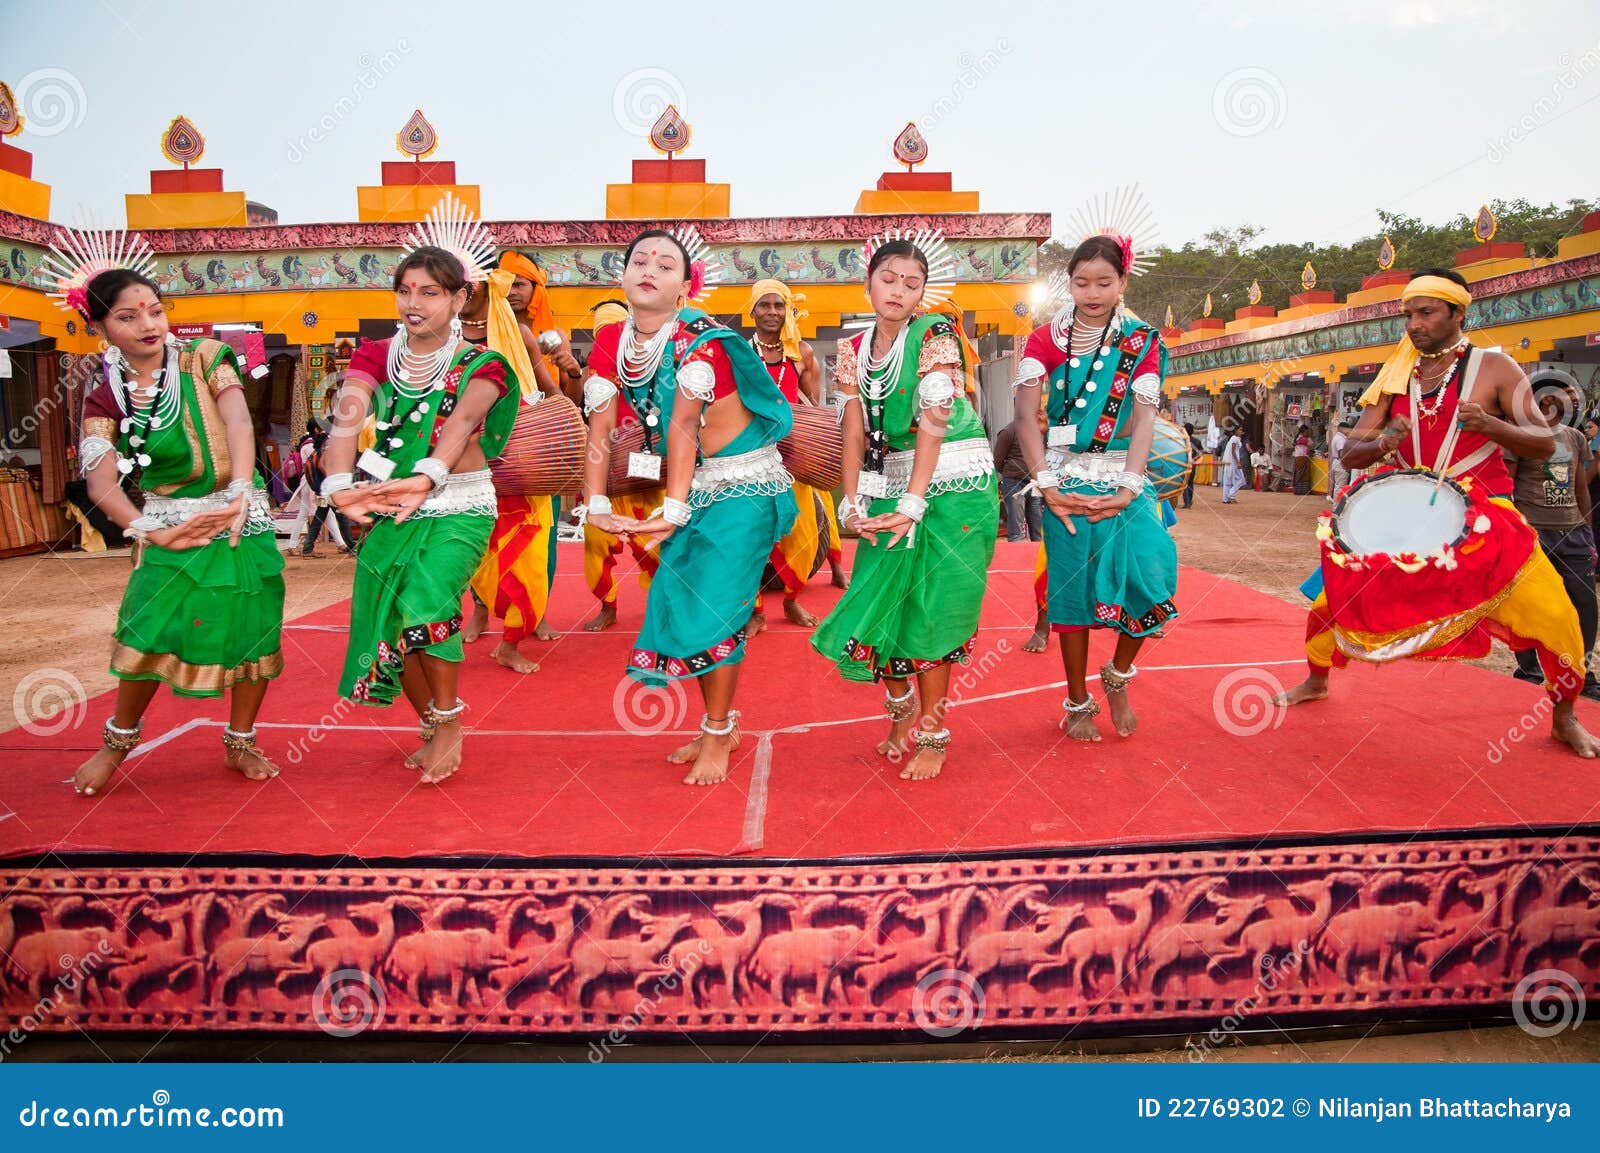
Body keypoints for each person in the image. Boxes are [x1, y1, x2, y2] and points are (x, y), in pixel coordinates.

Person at [1275, 269, 1599, 757]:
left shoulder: (1496, 367)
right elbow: (1350, 452)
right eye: (1408, 314)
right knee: (1332, 601)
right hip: (1404, 508)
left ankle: (1563, 716)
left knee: (1554, 613)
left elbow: (1541, 443)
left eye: (1426, 313)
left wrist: (1490, 423)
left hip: (1488, 513)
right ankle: (1317, 681)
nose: (1414, 324)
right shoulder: (1395, 375)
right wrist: (1386, 440)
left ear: (1458, 313)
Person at [585, 227, 797, 785]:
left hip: (745, 487)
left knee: (713, 609)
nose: (648, 268)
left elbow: (681, 428)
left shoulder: (701, 340)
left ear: (685, 284)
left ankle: (718, 730)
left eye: (665, 263)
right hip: (694, 486)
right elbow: (600, 429)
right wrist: (595, 502)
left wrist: (672, 512)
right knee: (679, 602)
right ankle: (715, 726)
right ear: (623, 275)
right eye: (639, 260)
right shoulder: (611, 340)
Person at [67, 260, 285, 797]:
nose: (149, 324)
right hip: (167, 524)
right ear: (99, 328)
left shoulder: (205, 357)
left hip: (238, 518)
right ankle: (117, 742)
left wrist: (238, 492)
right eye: (128, 316)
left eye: (156, 310)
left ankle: (240, 741)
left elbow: (237, 420)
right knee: (150, 630)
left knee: (251, 628)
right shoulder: (106, 396)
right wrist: (147, 530)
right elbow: (100, 485)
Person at [320, 226, 521, 784]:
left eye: (430, 292)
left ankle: (451, 722)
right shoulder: (376, 355)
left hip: (459, 506)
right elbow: (346, 418)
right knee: (388, 620)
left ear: (459, 299)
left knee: (427, 604)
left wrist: (426, 478)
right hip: (389, 505)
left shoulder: (485, 364)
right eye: (405, 290)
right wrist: (337, 485)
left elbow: (458, 427)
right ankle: (430, 721)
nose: (414, 303)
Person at [813, 233, 998, 780]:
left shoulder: (935, 331)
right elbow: (852, 426)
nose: (899, 290)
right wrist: (850, 499)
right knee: (881, 601)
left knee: (932, 608)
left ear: (923, 292)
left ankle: (933, 731)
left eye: (912, 283)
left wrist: (915, 501)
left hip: (954, 481)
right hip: (892, 476)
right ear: (867, 282)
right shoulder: (851, 348)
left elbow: (937, 413)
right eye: (888, 279)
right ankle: (899, 714)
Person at [1012, 233, 1176, 741]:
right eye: (1080, 282)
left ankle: (1119, 675)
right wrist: (1046, 485)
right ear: (1069, 283)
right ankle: (1078, 699)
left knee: (1150, 578)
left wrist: (1130, 486)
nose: (1092, 292)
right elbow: (1023, 416)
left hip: (1122, 481)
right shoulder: (1044, 339)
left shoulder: (1143, 340)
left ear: (1123, 281)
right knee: (1072, 597)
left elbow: (1146, 417)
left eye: (1104, 282)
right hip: (1061, 479)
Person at [461, 253, 564, 673]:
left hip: (521, 462)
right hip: (463, 465)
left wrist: (564, 434)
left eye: (470, 283)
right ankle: (476, 613)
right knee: (473, 553)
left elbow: (552, 394)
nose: (463, 292)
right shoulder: (438, 338)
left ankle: (511, 641)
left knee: (530, 556)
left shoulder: (520, 334)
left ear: (488, 288)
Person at [743, 279, 834, 632]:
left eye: (778, 305)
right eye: (764, 305)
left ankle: (793, 601)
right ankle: (756, 611)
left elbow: (812, 406)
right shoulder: (740, 352)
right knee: (751, 536)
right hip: (748, 459)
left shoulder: (803, 354)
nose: (771, 312)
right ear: (752, 311)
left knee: (803, 533)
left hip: (791, 459)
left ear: (787, 311)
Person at [1508, 385, 1599, 699]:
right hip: (1534, 532)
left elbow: (1581, 488)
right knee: (1532, 607)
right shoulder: (1521, 435)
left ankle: (1582, 675)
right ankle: (1530, 673)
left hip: (1572, 533)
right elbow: (1508, 484)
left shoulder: (1574, 437)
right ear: (1547, 398)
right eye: (1569, 393)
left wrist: (1587, 533)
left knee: (1584, 604)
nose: (1576, 397)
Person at [580, 298, 664, 632]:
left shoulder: (655, 364)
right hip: (607, 474)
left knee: (657, 546)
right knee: (596, 545)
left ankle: (663, 607)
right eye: (600, 333)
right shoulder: (592, 371)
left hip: (651, 470)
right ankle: (608, 606)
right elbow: (578, 416)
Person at [994, 417, 1042, 542]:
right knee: (1017, 528)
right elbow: (998, 459)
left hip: (1034, 482)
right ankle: (1018, 556)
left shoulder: (1039, 430)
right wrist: (1009, 473)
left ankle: (1039, 557)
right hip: (1014, 481)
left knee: (1037, 524)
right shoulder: (1009, 430)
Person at [1328, 420, 1351, 501]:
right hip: (1340, 463)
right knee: (1340, 487)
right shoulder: (1340, 439)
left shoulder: (1337, 437)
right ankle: (1337, 506)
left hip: (1337, 462)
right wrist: (1346, 465)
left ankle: (1336, 505)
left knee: (1339, 486)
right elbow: (1342, 454)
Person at [1221, 428, 1245, 502]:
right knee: (1242, 479)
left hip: (1231, 461)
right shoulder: (1234, 438)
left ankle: (1226, 498)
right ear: (1236, 431)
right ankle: (1231, 494)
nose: (1241, 431)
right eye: (1239, 430)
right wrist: (1237, 462)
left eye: (1241, 430)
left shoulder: (1236, 438)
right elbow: (1233, 451)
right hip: (1232, 461)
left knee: (1228, 480)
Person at [1181, 420, 1199, 508]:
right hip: (1193, 465)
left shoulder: (1182, 441)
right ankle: (1189, 500)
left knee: (1185, 483)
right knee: (1191, 483)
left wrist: (1188, 459)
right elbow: (1201, 453)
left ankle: (1187, 502)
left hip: (1185, 465)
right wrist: (1193, 459)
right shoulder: (1196, 441)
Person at [1292, 424, 1313, 494]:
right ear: (1303, 432)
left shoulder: (1297, 438)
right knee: (1302, 475)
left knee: (1301, 474)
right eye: (1306, 432)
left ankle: (1299, 490)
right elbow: (1311, 444)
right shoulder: (1302, 439)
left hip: (1300, 458)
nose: (1307, 433)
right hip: (1302, 458)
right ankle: (1302, 491)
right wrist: (1309, 438)